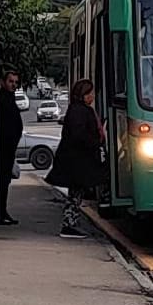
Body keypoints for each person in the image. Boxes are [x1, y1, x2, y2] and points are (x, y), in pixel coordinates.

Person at [45, 79, 106, 236]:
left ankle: (72, 223)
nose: (92, 96)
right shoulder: (80, 111)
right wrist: (96, 140)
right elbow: (79, 136)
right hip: (77, 161)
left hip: (77, 160)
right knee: (75, 194)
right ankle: (69, 224)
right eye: (90, 93)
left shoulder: (77, 109)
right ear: (83, 95)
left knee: (76, 193)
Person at [0, 68, 24, 225]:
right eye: (11, 81)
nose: (14, 85)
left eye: (16, 82)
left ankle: (2, 211)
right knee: (1, 181)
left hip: (8, 148)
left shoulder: (10, 99)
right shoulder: (2, 100)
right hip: (2, 148)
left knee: (5, 181)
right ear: (2, 82)